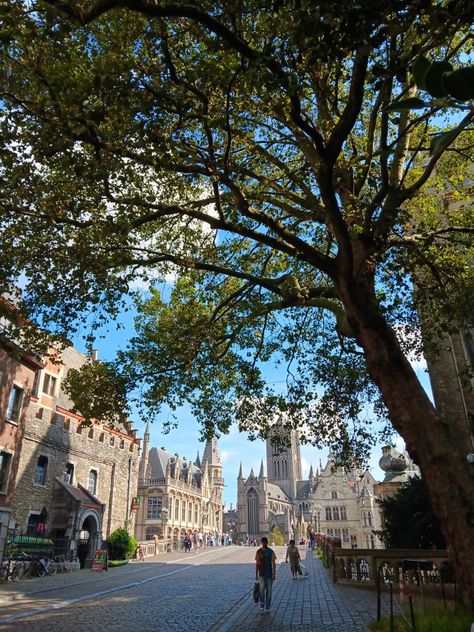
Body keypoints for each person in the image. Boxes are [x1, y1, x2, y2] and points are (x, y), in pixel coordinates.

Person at [255, 536, 276, 612]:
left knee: (269, 590)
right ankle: (262, 603)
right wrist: (256, 575)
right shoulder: (258, 552)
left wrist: (274, 574)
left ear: (267, 542)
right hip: (261, 573)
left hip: (269, 573)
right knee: (261, 589)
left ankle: (267, 606)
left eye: (265, 542)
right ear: (262, 543)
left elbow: (273, 564)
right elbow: (257, 563)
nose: (264, 543)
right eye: (263, 542)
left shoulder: (271, 552)